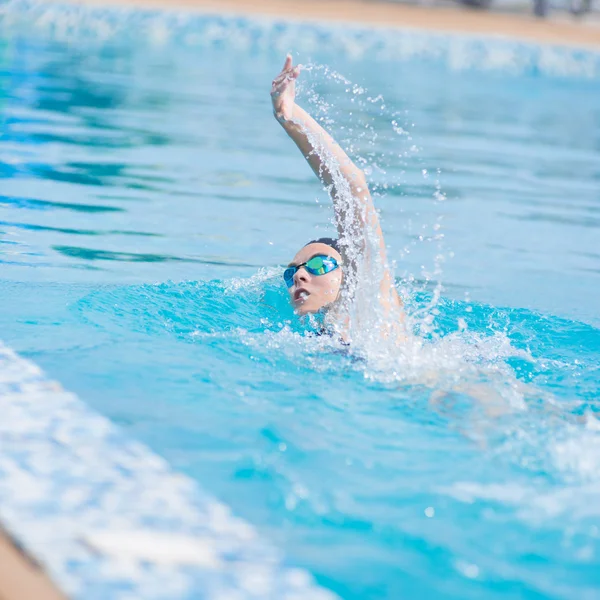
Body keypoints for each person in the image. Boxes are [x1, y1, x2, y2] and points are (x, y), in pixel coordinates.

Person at [271, 55, 404, 342]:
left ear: (350, 272)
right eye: (291, 272)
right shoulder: (324, 335)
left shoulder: (371, 306)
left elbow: (352, 188)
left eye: (320, 264)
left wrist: (289, 117)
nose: (299, 276)